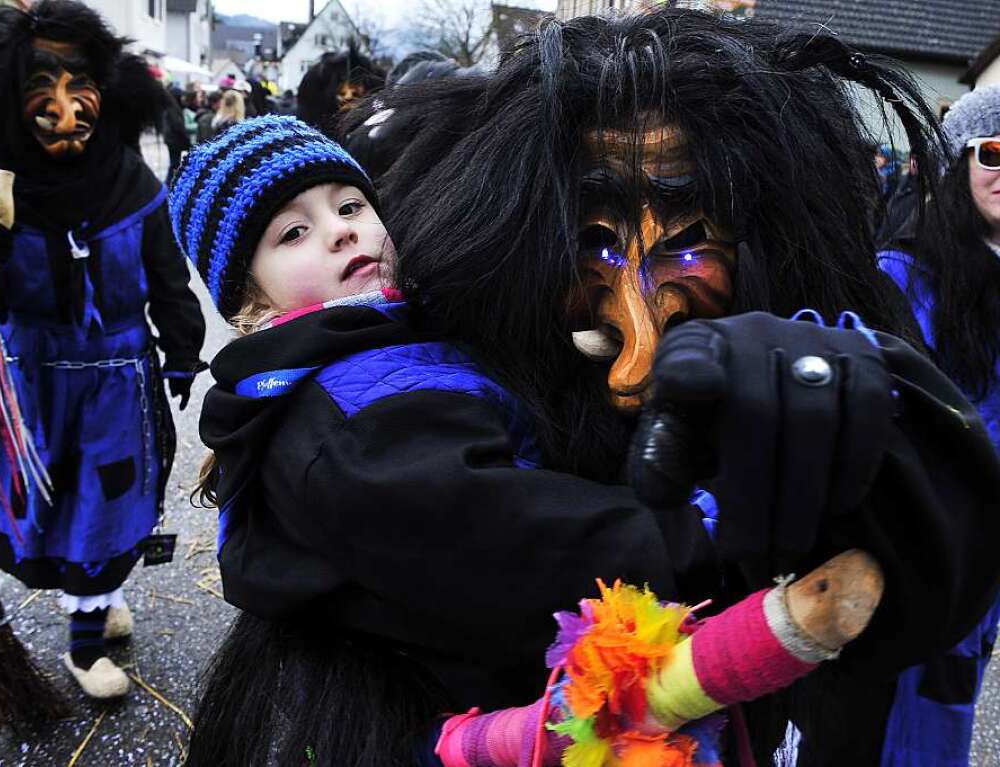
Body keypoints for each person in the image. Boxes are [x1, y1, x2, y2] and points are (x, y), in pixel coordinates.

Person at [342, 8, 999, 766]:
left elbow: (936, 578)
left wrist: (874, 442)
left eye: (687, 242)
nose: (636, 352)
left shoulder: (821, 335)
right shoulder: (452, 384)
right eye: (593, 243)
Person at [0, 0, 207, 700]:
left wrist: (181, 350)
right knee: (56, 503)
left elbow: (169, 277)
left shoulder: (132, 185)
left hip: (117, 379)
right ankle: (89, 614)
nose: (65, 108)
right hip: (32, 380)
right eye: (41, 87)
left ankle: (89, 622)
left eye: (81, 85)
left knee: (108, 499)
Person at [877, 84, 1000, 767]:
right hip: (922, 544)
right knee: (910, 719)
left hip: (985, 554)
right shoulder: (905, 273)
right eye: (994, 153)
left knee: (953, 698)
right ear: (959, 162)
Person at [162, 85, 190, 186]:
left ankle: (170, 182)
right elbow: (177, 125)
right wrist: (186, 139)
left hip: (171, 140)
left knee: (174, 163)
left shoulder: (170, 106)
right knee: (174, 163)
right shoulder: (173, 107)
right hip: (174, 140)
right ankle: (169, 183)